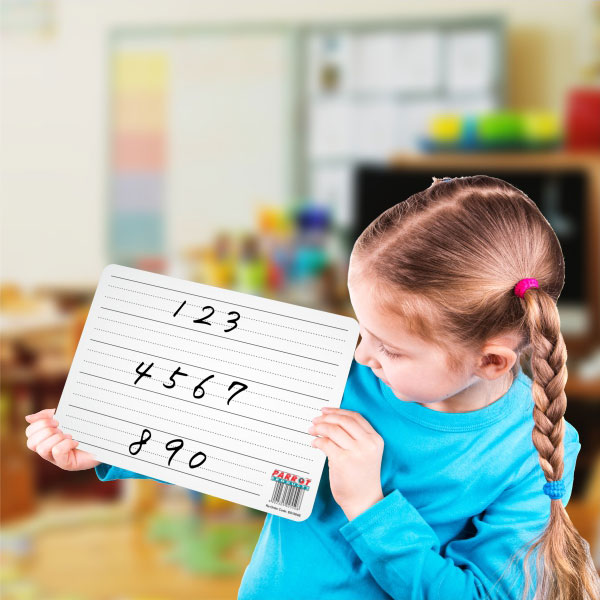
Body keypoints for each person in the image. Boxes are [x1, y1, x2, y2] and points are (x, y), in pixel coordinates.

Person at [25, 175, 600, 600]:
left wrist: (368, 507)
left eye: (391, 348)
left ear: (493, 361)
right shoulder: (344, 370)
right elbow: (221, 433)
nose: (361, 353)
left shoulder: (537, 452)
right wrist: (111, 445)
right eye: (362, 329)